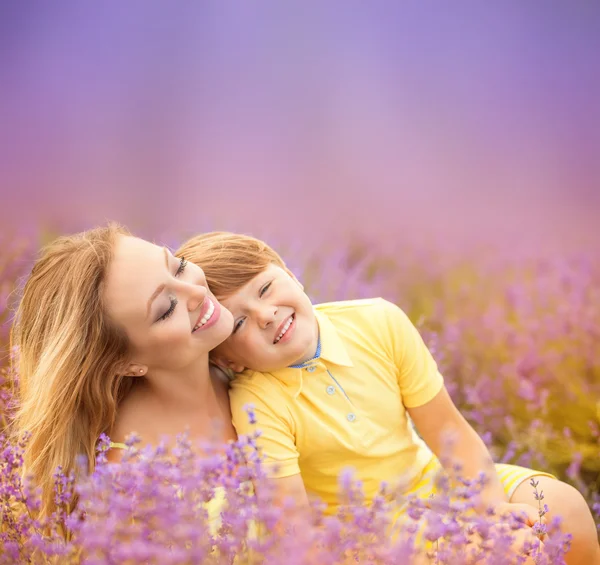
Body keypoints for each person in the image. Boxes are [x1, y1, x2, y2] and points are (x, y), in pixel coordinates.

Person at [176, 231, 600, 565]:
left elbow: (447, 429)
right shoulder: (257, 401)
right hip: (368, 532)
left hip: (438, 482)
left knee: (565, 508)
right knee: (493, 552)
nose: (266, 314)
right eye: (239, 323)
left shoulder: (377, 321)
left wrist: (488, 507)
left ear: (291, 274)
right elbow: (291, 524)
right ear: (231, 362)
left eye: (265, 288)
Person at [11, 224, 236, 519]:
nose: (196, 292)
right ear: (124, 363)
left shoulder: (252, 358)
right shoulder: (130, 482)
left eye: (178, 267)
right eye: (166, 309)